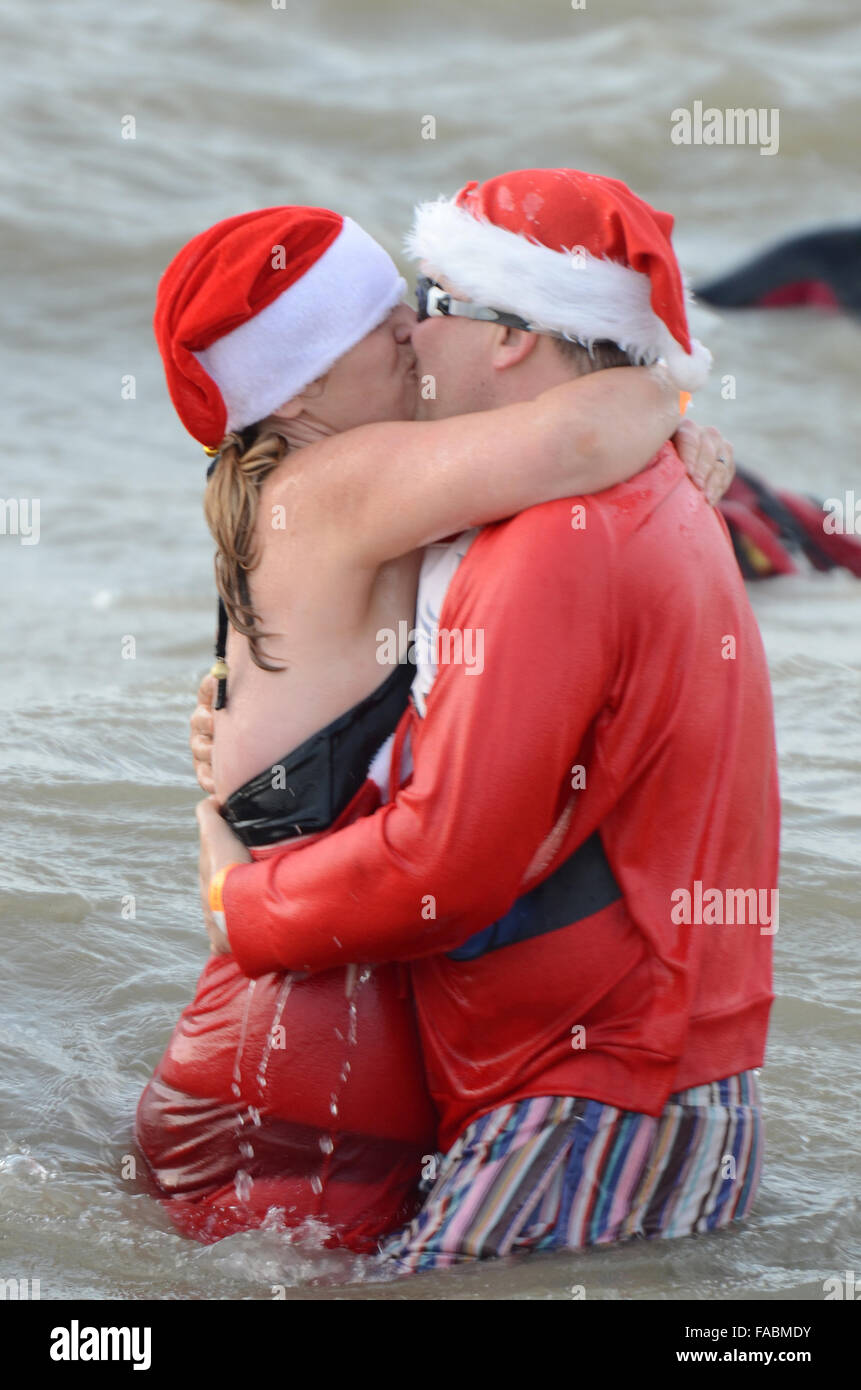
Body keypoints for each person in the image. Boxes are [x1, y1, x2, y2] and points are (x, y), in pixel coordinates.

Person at [194, 169, 778, 1272]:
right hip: (628, 1074)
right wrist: (672, 403)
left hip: (589, 1090)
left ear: (512, 340)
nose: (414, 330)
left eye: (433, 298)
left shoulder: (557, 539)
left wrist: (242, 900)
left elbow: (445, 859)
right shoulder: (599, 503)